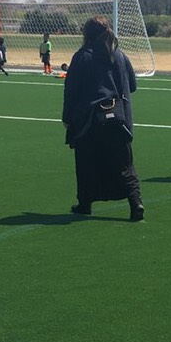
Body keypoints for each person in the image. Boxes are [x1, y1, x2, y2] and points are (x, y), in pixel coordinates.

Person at [62, 15, 144, 222]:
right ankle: (136, 204)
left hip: (89, 120)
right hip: (118, 119)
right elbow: (132, 86)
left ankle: (85, 204)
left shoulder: (82, 56)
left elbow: (71, 90)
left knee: (86, 163)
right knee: (125, 165)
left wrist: (67, 117)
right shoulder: (121, 56)